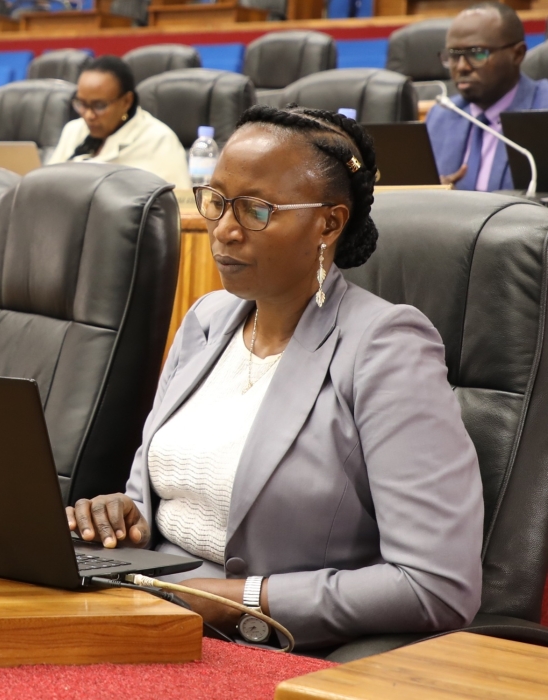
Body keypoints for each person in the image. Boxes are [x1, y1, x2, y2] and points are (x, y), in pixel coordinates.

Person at [68, 105, 483, 654]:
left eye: (257, 211)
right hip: (146, 612)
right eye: (215, 202)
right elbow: (166, 494)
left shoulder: (386, 346)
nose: (224, 230)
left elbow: (437, 585)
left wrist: (245, 597)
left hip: (267, 646)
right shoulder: (206, 320)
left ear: (329, 223)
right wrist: (126, 517)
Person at [427, 2, 548, 191]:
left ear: (517, 54)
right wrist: (432, 194)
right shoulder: (441, 117)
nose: (461, 67)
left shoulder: (543, 108)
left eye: (477, 54)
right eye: (453, 55)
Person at [46, 55, 191, 188]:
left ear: (126, 101)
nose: (88, 115)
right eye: (81, 104)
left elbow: (180, 206)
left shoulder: (159, 140)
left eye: (99, 106)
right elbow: (46, 185)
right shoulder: (74, 130)